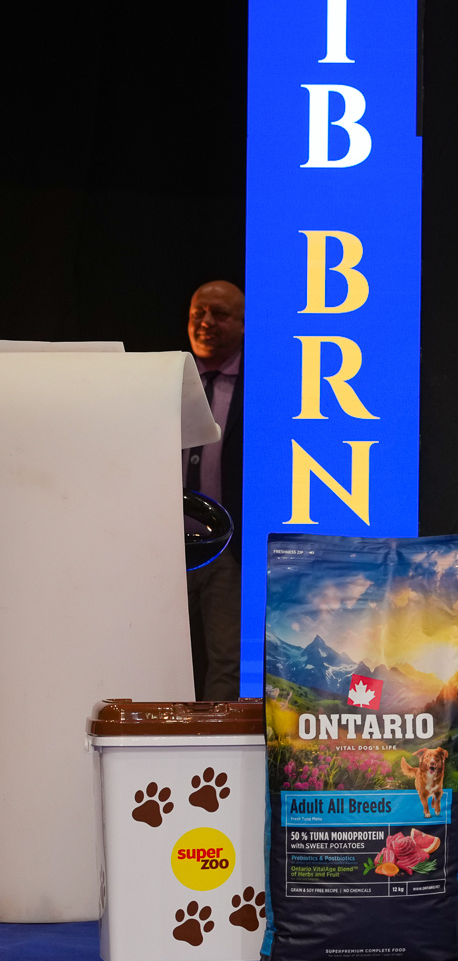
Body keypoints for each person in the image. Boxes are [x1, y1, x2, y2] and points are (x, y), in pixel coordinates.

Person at [184, 280, 245, 701]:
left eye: (219, 314)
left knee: (227, 659)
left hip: (228, 550)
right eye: (198, 313)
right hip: (164, 547)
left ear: (243, 324)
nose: (205, 322)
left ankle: (212, 736)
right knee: (160, 648)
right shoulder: (167, 379)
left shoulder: (262, 386)